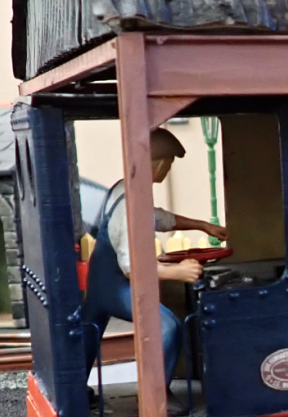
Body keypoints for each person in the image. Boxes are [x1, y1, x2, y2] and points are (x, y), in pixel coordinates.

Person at [82, 128, 227, 393]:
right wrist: (178, 272)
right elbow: (131, 269)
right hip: (114, 283)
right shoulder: (130, 205)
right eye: (169, 164)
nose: (168, 170)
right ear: (158, 164)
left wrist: (202, 226)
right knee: (167, 327)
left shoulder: (129, 187)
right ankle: (155, 398)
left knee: (89, 332)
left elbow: (158, 218)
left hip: (100, 276)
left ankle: (75, 390)